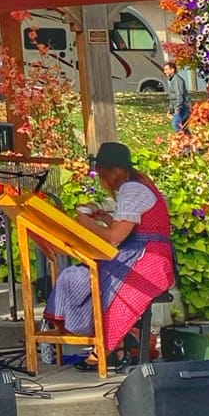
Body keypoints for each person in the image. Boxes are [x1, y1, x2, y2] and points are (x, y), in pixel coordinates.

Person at [43, 142, 177, 368]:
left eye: (103, 173)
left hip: (148, 261)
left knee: (84, 280)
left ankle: (105, 347)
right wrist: (105, 217)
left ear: (114, 170)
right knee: (84, 276)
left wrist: (85, 223)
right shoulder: (139, 182)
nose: (102, 180)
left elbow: (115, 236)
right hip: (147, 256)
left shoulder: (131, 189)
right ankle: (116, 344)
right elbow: (129, 228)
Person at [162, 61, 191, 134]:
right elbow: (172, 97)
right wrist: (170, 109)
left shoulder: (177, 80)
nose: (164, 72)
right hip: (179, 106)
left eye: (166, 69)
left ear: (172, 70)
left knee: (176, 125)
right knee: (184, 127)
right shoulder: (172, 80)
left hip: (183, 106)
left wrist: (177, 109)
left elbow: (179, 96)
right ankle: (191, 143)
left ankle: (185, 141)